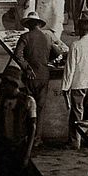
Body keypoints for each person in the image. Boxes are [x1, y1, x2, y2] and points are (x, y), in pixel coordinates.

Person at [13, 10, 61, 145]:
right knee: (40, 108)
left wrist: (26, 67)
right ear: (39, 25)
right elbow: (57, 52)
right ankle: (36, 138)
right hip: (44, 75)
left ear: (28, 25)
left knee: (27, 105)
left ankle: (24, 135)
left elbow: (17, 55)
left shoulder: (25, 37)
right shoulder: (47, 37)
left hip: (30, 76)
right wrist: (45, 59)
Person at [61, 17, 88, 149]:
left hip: (78, 84)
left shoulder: (75, 45)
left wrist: (65, 86)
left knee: (76, 114)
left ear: (79, 29)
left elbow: (70, 68)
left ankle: (75, 142)